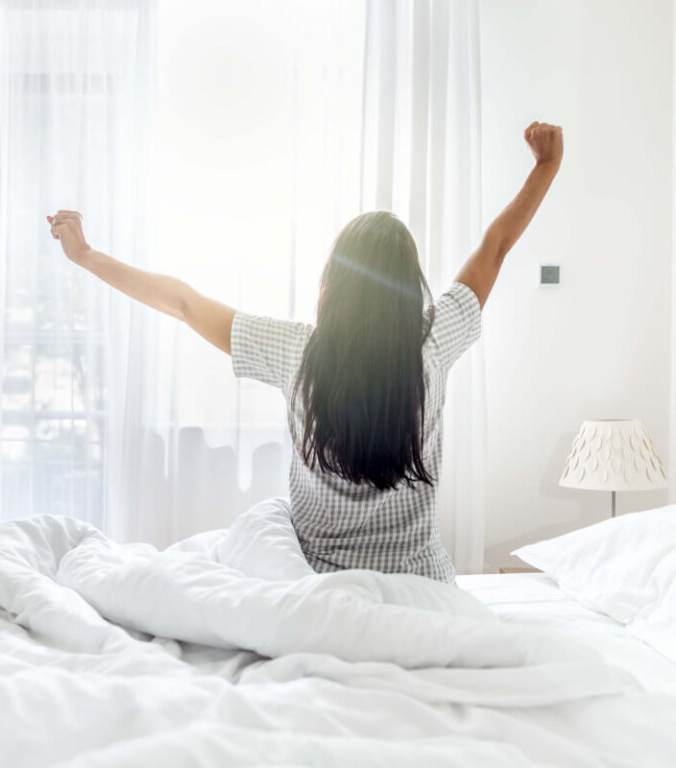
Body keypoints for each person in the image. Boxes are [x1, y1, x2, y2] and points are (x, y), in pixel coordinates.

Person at [47, 121, 563, 582]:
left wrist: (88, 256)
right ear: (411, 287)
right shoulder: (435, 341)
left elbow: (183, 302)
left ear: (333, 284)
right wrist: (546, 167)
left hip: (316, 587)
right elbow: (495, 246)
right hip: (420, 584)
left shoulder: (296, 352)